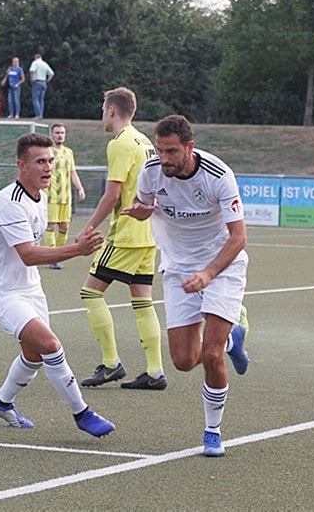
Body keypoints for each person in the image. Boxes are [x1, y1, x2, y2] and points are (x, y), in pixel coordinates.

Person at [122, 114, 250, 457]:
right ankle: (232, 338)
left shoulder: (219, 175)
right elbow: (144, 203)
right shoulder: (151, 170)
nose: (164, 158)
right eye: (160, 150)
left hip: (222, 266)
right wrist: (140, 211)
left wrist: (208, 273)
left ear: (189, 148)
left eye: (172, 151)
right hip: (178, 270)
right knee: (182, 360)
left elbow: (238, 237)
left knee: (210, 354)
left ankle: (212, 431)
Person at [0, 132, 114, 438]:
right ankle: (82, 413)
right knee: (51, 345)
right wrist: (76, 250)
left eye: (50, 160)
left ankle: (1, 402)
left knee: (35, 355)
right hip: (1, 293)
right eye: (40, 161)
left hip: (29, 289)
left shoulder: (40, 197)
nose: (48, 167)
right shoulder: (9, 202)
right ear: (21, 165)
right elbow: (27, 254)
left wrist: (75, 245)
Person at [78, 87, 167, 391]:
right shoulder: (145, 141)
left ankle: (111, 364)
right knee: (143, 301)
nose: (102, 114)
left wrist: (89, 227)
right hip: (149, 233)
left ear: (112, 110)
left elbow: (113, 193)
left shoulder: (120, 143)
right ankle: (155, 371)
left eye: (104, 109)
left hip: (128, 231)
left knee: (90, 293)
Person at [44, 123, 86, 270]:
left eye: (62, 133)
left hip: (65, 197)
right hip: (51, 196)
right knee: (51, 225)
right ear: (51, 134)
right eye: (57, 133)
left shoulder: (69, 152)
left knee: (64, 227)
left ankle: (58, 255)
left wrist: (80, 188)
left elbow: (72, 172)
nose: (60, 135)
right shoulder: (47, 152)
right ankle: (52, 257)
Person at [29, 53, 54, 118]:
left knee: (35, 99)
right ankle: (41, 115)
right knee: (41, 99)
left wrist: (31, 79)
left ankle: (38, 114)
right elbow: (51, 73)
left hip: (37, 81)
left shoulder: (35, 63)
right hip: (43, 82)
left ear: (36, 57)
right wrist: (47, 81)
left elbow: (32, 71)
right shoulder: (45, 64)